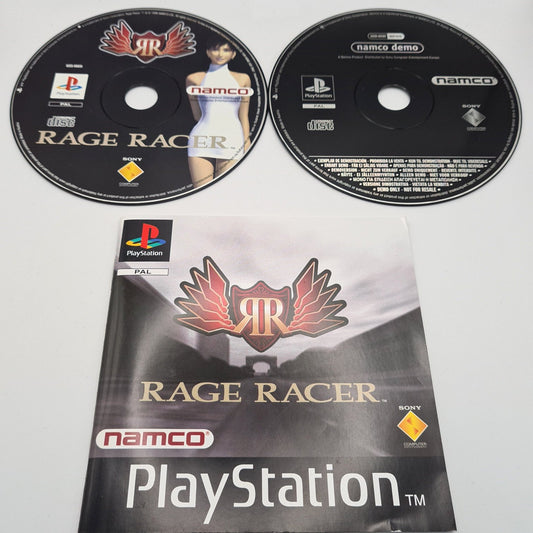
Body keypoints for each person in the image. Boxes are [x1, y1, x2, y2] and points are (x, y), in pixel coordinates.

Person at [186, 36, 252, 188]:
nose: (220, 54)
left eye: (226, 50)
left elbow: (244, 115)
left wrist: (246, 142)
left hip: (232, 138)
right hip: (202, 139)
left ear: (233, 54)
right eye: (215, 49)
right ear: (208, 52)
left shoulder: (243, 79)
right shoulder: (194, 79)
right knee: (200, 193)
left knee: (227, 192)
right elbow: (197, 116)